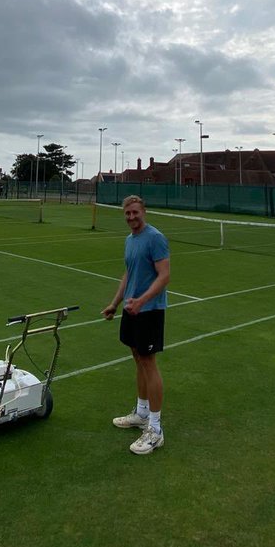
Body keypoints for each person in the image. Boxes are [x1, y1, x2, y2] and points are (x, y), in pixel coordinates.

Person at [101, 195, 170, 455]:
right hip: (132, 309)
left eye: (135, 212)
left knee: (149, 363)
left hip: (149, 310)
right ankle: (141, 414)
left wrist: (142, 300)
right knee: (138, 358)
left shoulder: (155, 238)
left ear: (144, 212)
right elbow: (128, 273)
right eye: (127, 214)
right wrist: (114, 303)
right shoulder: (130, 240)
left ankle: (155, 429)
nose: (131, 217)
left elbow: (164, 276)